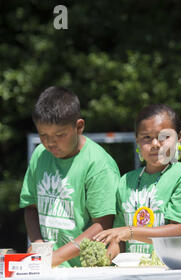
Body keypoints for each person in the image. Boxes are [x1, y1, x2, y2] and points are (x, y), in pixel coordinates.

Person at [19, 86, 120, 267]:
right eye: (43, 135)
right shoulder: (39, 154)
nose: (50, 142)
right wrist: (37, 243)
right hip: (47, 266)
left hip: (87, 271)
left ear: (79, 127)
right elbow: (31, 207)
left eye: (60, 135)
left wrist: (56, 258)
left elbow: (104, 225)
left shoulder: (99, 164)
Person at [93, 104, 181, 258]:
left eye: (164, 137)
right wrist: (104, 261)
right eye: (146, 138)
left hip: (170, 270)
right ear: (137, 140)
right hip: (133, 273)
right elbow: (119, 239)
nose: (155, 144)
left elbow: (180, 230)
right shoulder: (126, 181)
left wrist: (130, 232)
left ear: (179, 137)